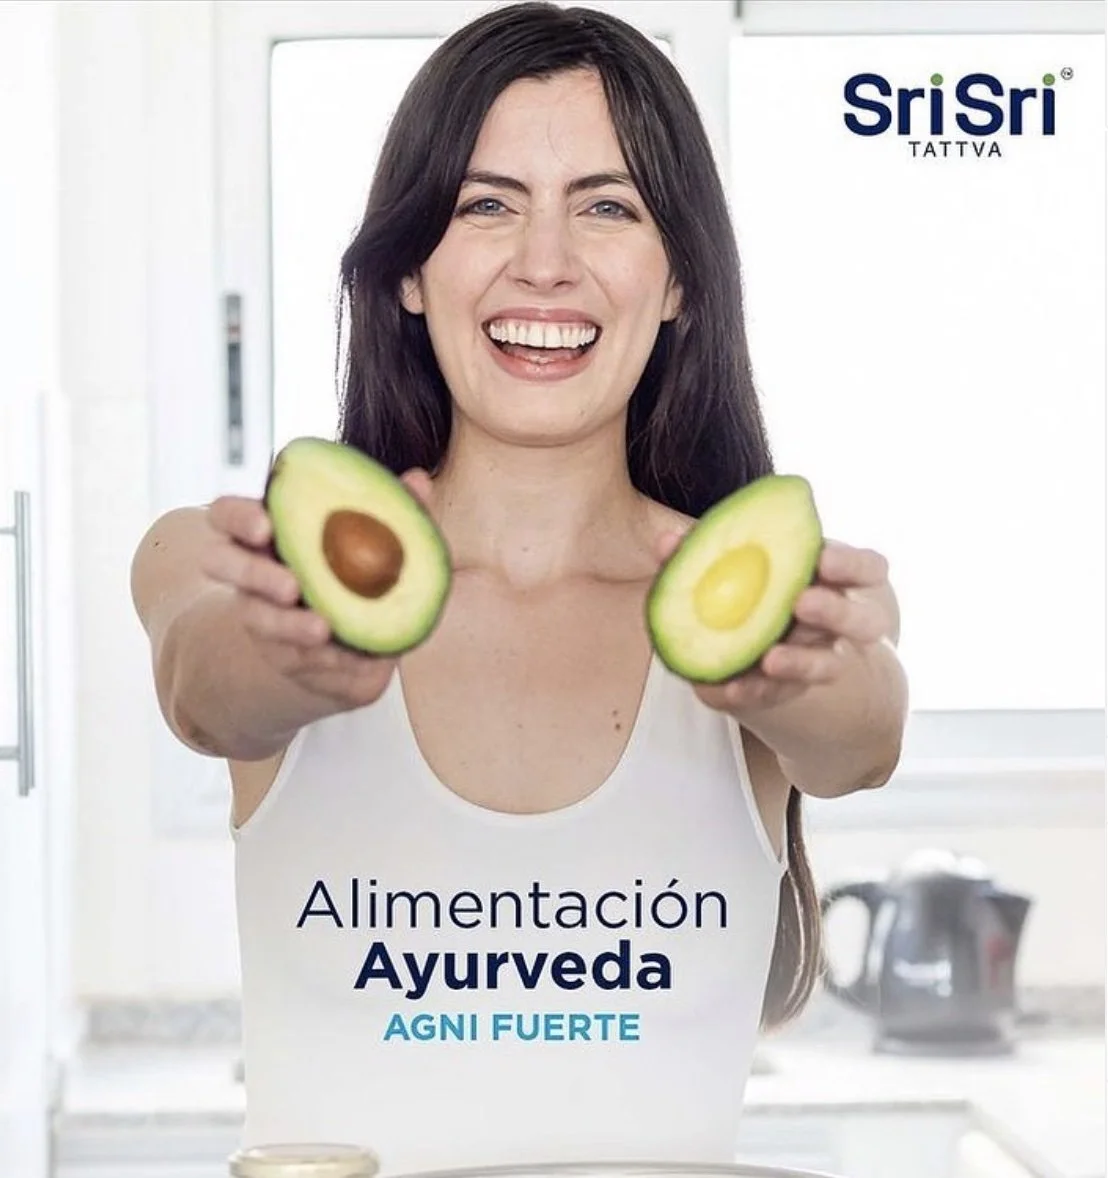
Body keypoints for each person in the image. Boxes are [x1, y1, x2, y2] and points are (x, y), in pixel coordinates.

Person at [131, 2, 908, 1173]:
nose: (543, 261)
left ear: (682, 281)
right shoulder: (242, 569)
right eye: (485, 204)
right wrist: (287, 654)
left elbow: (857, 738)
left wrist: (788, 676)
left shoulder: (777, 601)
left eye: (607, 206)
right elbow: (207, 688)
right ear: (405, 270)